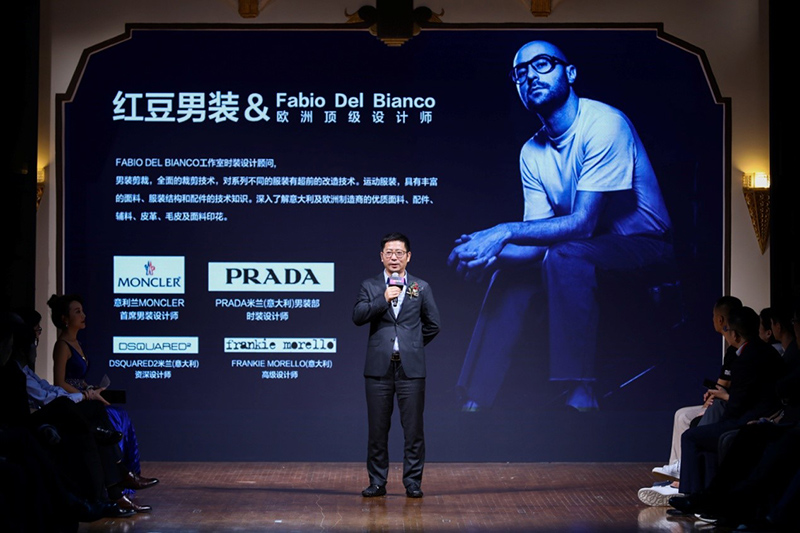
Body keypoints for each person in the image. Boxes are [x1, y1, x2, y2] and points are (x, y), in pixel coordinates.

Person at [448, 40, 673, 411]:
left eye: (542, 64)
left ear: (570, 73)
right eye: (520, 72)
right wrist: (488, 254)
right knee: (509, 273)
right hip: (585, 248)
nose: (530, 76)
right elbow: (536, 244)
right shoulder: (531, 152)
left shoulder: (604, 123)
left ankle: (580, 392)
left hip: (646, 244)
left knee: (566, 255)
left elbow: (583, 223)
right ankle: (474, 398)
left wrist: (501, 233)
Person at [353, 232, 441, 498]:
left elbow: (433, 324)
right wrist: (384, 298)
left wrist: (411, 345)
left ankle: (412, 482)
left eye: (399, 253)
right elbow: (358, 316)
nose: (394, 257)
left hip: (410, 369)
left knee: (413, 430)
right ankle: (377, 482)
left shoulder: (420, 287)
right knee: (377, 430)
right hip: (378, 370)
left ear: (408, 256)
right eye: (389, 253)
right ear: (381, 256)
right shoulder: (370, 286)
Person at [637, 296, 741, 507]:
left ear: (721, 320)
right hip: (725, 402)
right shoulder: (733, 350)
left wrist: (713, 400)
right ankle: (676, 473)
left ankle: (682, 477)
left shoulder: (742, 352)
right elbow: (722, 385)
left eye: (714, 316)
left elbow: (728, 388)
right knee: (682, 414)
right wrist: (712, 396)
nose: (713, 320)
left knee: (688, 418)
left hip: (731, 407)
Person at [47, 293, 154, 487]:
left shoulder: (77, 344)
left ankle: (125, 475)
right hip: (73, 402)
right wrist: (86, 395)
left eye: (82, 311)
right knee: (111, 416)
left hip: (85, 396)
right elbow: (59, 382)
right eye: (77, 312)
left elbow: (79, 379)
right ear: (65, 318)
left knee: (119, 414)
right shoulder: (62, 346)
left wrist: (90, 388)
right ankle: (120, 479)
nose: (83, 315)